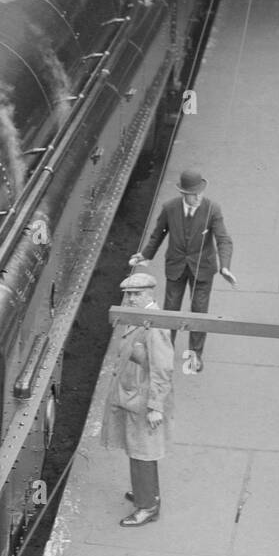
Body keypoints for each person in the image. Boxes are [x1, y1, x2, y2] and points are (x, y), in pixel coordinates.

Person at [128, 170, 234, 373]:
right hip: (176, 266)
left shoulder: (212, 209)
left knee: (199, 312)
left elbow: (223, 239)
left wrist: (225, 266)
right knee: (170, 311)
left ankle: (195, 356)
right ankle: (165, 353)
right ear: (184, 193)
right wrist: (145, 255)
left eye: (200, 192)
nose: (199, 197)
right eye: (194, 194)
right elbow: (157, 234)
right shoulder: (170, 208)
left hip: (202, 269)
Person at [101, 270, 174, 527]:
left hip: (143, 398)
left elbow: (163, 369)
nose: (131, 299)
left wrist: (155, 406)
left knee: (144, 452)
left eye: (136, 294)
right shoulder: (140, 317)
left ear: (149, 294)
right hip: (133, 394)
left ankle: (148, 506)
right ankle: (144, 493)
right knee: (136, 450)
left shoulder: (155, 326)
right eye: (129, 295)